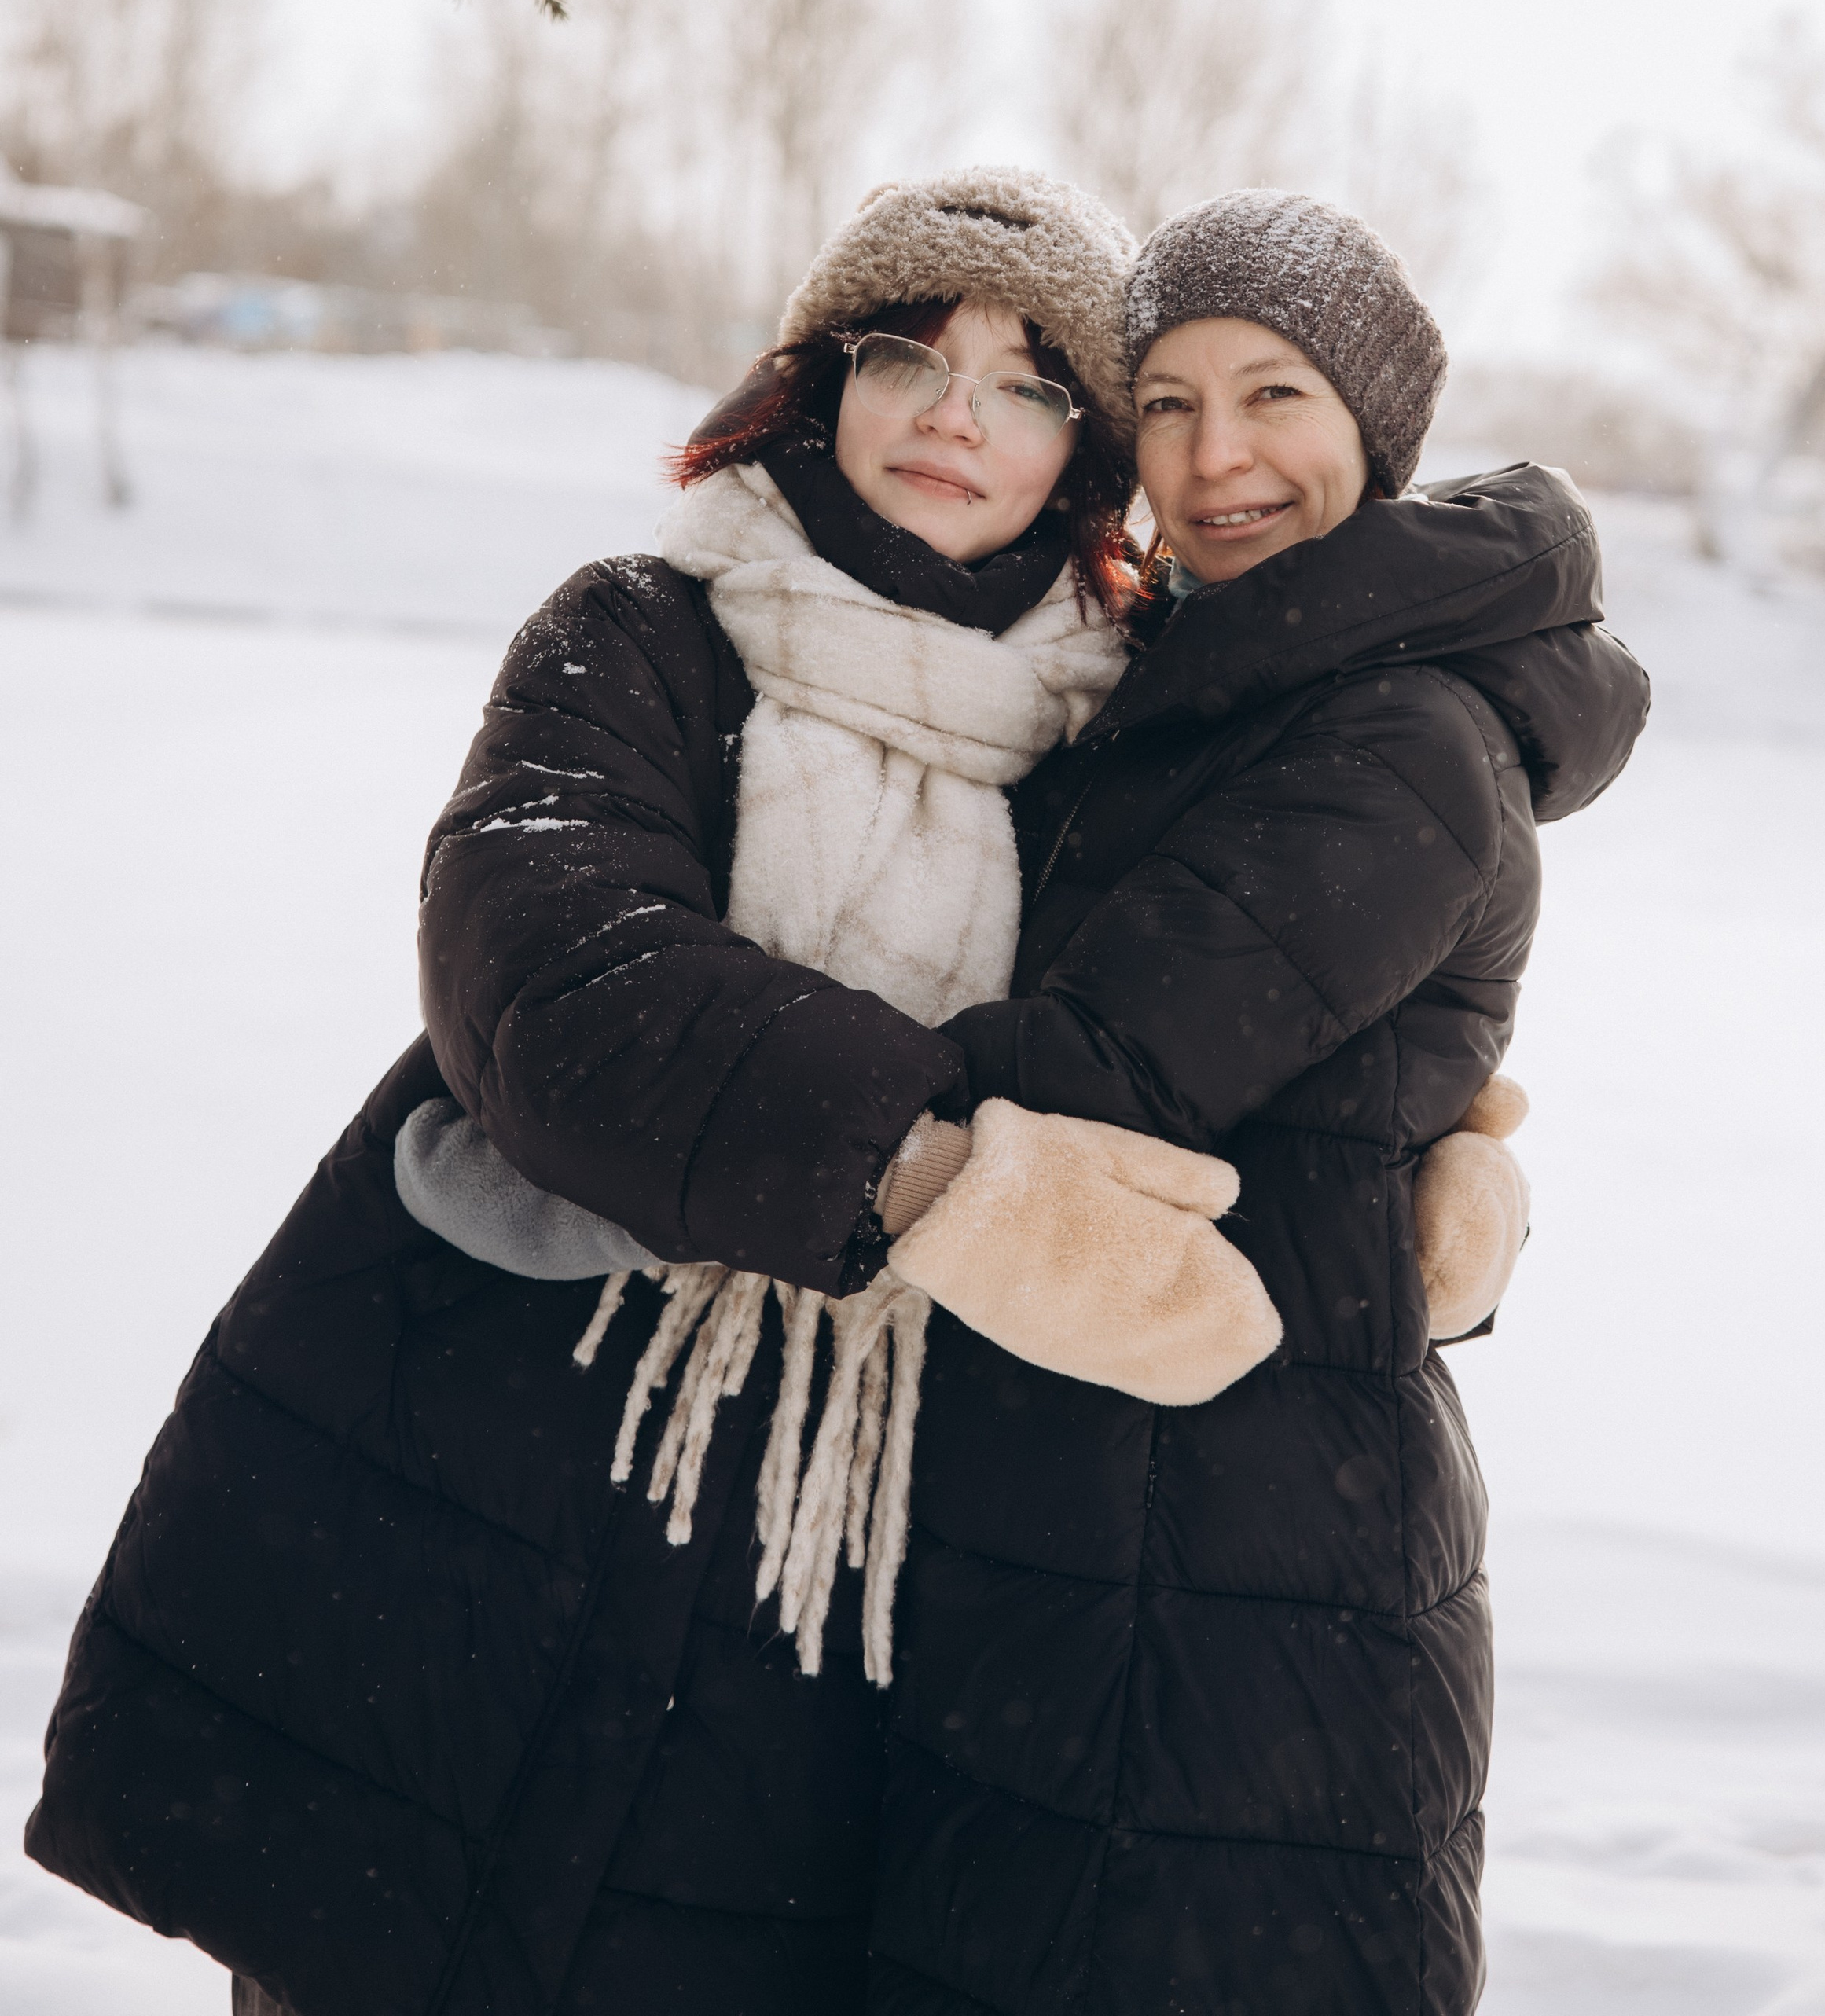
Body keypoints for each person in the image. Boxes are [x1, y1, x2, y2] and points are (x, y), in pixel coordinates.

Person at [28, 167, 1194, 2016]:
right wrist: (919, 1171)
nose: (957, 413)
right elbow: (552, 973)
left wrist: (1439, 1169)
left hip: (850, 1569)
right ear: (821, 384)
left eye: (1031, 380)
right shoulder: (642, 635)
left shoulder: (1116, 753)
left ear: (1089, 453)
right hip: (475, 1476)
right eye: (913, 352)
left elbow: (1221, 1023)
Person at [868, 189, 1651, 2016]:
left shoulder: (1395, 734)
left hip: (1239, 1548)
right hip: (1106, 1502)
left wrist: (728, 1059)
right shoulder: (1211, 678)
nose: (1214, 458)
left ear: (1371, 430)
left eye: (1273, 395)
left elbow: (1105, 1071)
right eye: (1162, 403)